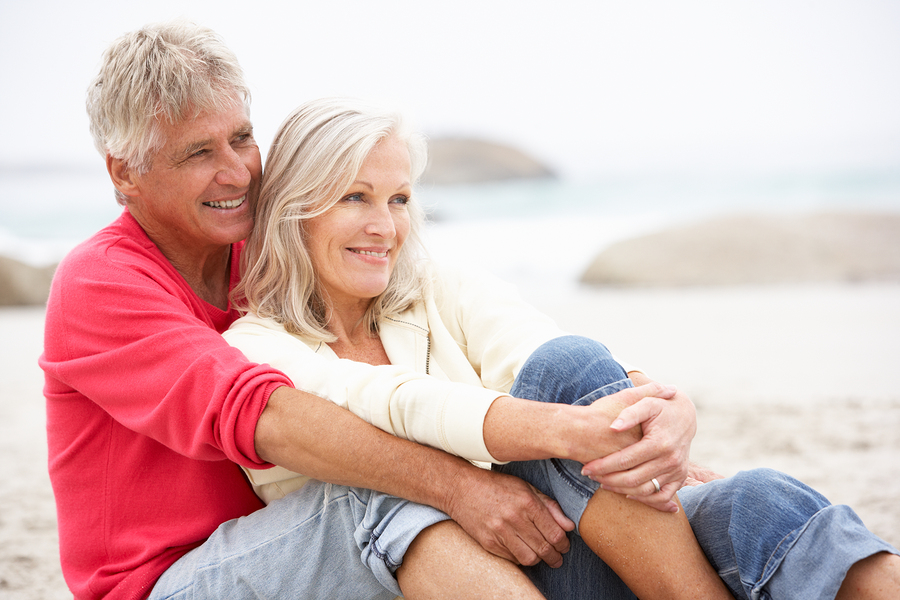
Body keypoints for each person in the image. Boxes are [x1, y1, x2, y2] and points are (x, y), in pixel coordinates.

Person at [39, 20, 731, 600]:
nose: (239, 171)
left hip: (307, 554)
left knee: (561, 442)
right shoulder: (102, 283)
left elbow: (457, 303)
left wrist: (647, 403)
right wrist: (463, 488)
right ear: (123, 172)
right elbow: (268, 416)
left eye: (242, 138)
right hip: (167, 581)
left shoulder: (264, 251)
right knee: (374, 489)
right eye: (198, 153)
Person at [223, 96, 900, 600]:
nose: (386, 225)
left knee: (756, 499)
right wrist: (568, 429)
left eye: (400, 199)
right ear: (295, 209)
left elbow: (538, 350)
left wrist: (663, 409)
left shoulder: (431, 288)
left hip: (561, 551)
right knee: (569, 376)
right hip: (460, 581)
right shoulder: (255, 349)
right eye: (355, 197)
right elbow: (399, 405)